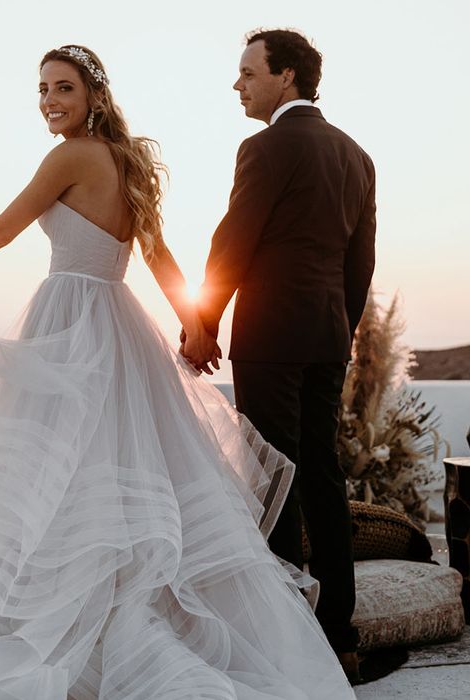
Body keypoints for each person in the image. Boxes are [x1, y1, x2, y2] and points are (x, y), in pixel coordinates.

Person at [0, 45, 355, 698]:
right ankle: (129, 606)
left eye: (64, 89)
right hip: (124, 324)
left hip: (72, 319)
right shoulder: (130, 160)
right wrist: (190, 322)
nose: (50, 101)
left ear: (93, 97)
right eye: (44, 89)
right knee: (120, 470)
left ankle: (78, 619)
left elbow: (3, 228)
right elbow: (159, 255)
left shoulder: (69, 156)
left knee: (59, 475)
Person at [182, 29, 376, 681]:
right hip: (325, 333)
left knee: (272, 473)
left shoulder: (264, 147)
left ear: (286, 77)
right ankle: (339, 633)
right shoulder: (356, 155)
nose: (237, 85)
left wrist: (202, 321)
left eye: (247, 73)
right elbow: (360, 263)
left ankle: (286, 636)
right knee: (321, 472)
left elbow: (235, 238)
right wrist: (339, 331)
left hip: (270, 333)